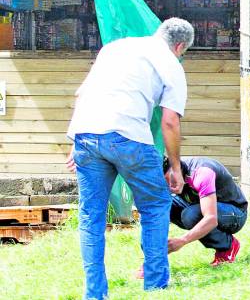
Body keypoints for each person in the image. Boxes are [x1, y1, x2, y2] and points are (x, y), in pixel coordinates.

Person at [66, 18, 194, 300]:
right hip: (129, 137)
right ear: (180, 47)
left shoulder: (115, 48)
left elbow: (81, 93)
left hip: (86, 134)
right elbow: (170, 121)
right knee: (155, 205)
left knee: (91, 215)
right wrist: (175, 167)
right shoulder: (172, 64)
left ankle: (95, 294)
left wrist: (75, 140)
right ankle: (156, 285)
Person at [163, 156, 247, 265]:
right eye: (164, 182)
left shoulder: (202, 174)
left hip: (235, 212)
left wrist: (183, 240)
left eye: (171, 180)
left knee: (190, 215)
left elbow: (210, 218)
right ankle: (154, 263)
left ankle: (227, 246)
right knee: (160, 205)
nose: (169, 186)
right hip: (199, 205)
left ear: (178, 168)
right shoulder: (167, 174)